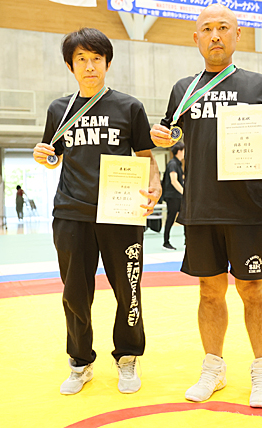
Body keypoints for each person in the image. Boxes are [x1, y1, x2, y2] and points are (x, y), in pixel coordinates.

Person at [150, 4, 262, 409]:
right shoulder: (183, 89)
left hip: (248, 209)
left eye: (223, 27)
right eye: (207, 29)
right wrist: (161, 137)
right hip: (201, 208)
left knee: (253, 290)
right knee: (209, 292)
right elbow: (172, 134)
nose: (215, 35)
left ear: (237, 34)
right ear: (196, 38)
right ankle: (214, 367)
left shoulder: (261, 85)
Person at [33, 27, 161, 396]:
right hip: (71, 213)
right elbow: (53, 156)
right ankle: (80, 362)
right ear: (70, 66)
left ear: (107, 63)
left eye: (96, 59)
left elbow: (145, 157)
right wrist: (43, 156)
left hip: (121, 212)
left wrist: (154, 185)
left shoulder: (129, 107)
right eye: (82, 60)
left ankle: (127, 357)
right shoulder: (59, 110)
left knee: (128, 290)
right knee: (74, 293)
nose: (90, 66)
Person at [163, 142, 185, 250]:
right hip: (173, 196)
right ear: (179, 151)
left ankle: (187, 241)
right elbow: (174, 181)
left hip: (177, 196)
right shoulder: (173, 163)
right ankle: (166, 242)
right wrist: (184, 193)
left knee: (185, 216)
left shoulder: (178, 164)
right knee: (171, 218)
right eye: (184, 150)